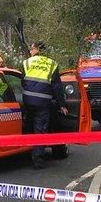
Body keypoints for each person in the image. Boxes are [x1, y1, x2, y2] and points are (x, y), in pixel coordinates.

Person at [21, 40, 64, 169]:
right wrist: (62, 104)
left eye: (32, 49)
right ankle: (38, 160)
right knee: (40, 130)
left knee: (29, 125)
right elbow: (57, 87)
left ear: (37, 50)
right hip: (43, 102)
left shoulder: (27, 62)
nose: (30, 51)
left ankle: (26, 152)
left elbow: (22, 82)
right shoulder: (52, 64)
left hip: (28, 101)